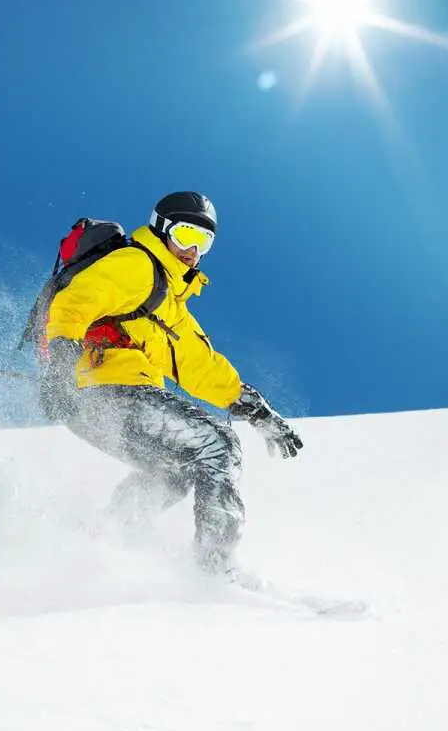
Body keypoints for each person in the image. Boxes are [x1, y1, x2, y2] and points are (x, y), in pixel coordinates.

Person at [38, 191, 303, 576]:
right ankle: (215, 569)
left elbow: (204, 369)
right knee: (216, 444)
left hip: (102, 404)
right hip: (103, 392)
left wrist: (260, 413)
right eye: (185, 236)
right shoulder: (136, 264)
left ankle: (102, 538)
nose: (192, 251)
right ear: (162, 231)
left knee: (174, 470)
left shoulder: (171, 308)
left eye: (204, 242)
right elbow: (75, 303)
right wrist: (59, 366)